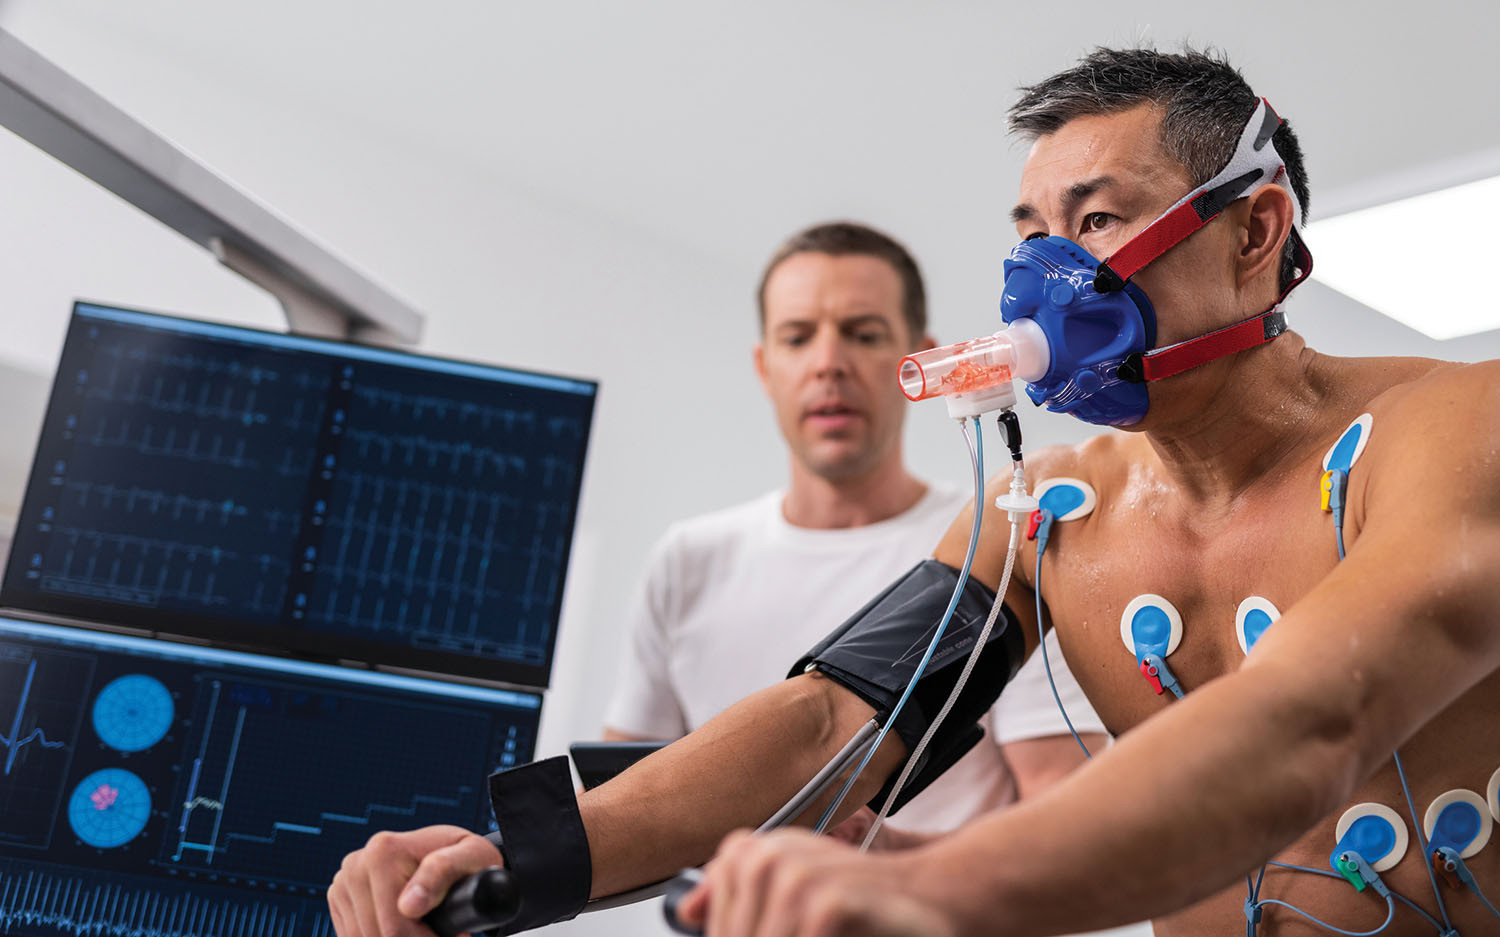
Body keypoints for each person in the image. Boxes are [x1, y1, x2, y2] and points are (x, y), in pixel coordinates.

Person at [328, 47, 1500, 937]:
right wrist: (518, 860)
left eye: (1096, 220)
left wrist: (932, 886)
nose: (1049, 272)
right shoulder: (1046, 516)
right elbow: (832, 721)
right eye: (1031, 231)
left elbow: (1312, 723)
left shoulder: (1452, 428)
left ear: (1258, 231)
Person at [602, 221, 1109, 839]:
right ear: (764, 367)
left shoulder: (1006, 547)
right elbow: (623, 799)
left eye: (863, 334)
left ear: (920, 357)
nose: (829, 364)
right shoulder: (686, 563)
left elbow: (1066, 827)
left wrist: (885, 867)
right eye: (797, 337)